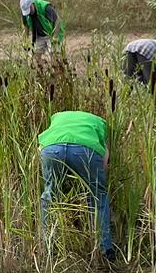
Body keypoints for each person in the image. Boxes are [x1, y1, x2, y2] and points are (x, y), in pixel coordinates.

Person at [37, 109, 115, 259]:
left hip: (52, 148)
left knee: (50, 196)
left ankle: (48, 248)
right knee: (98, 197)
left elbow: (40, 150)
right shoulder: (100, 123)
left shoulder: (56, 117)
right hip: (86, 149)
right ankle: (105, 249)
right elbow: (104, 160)